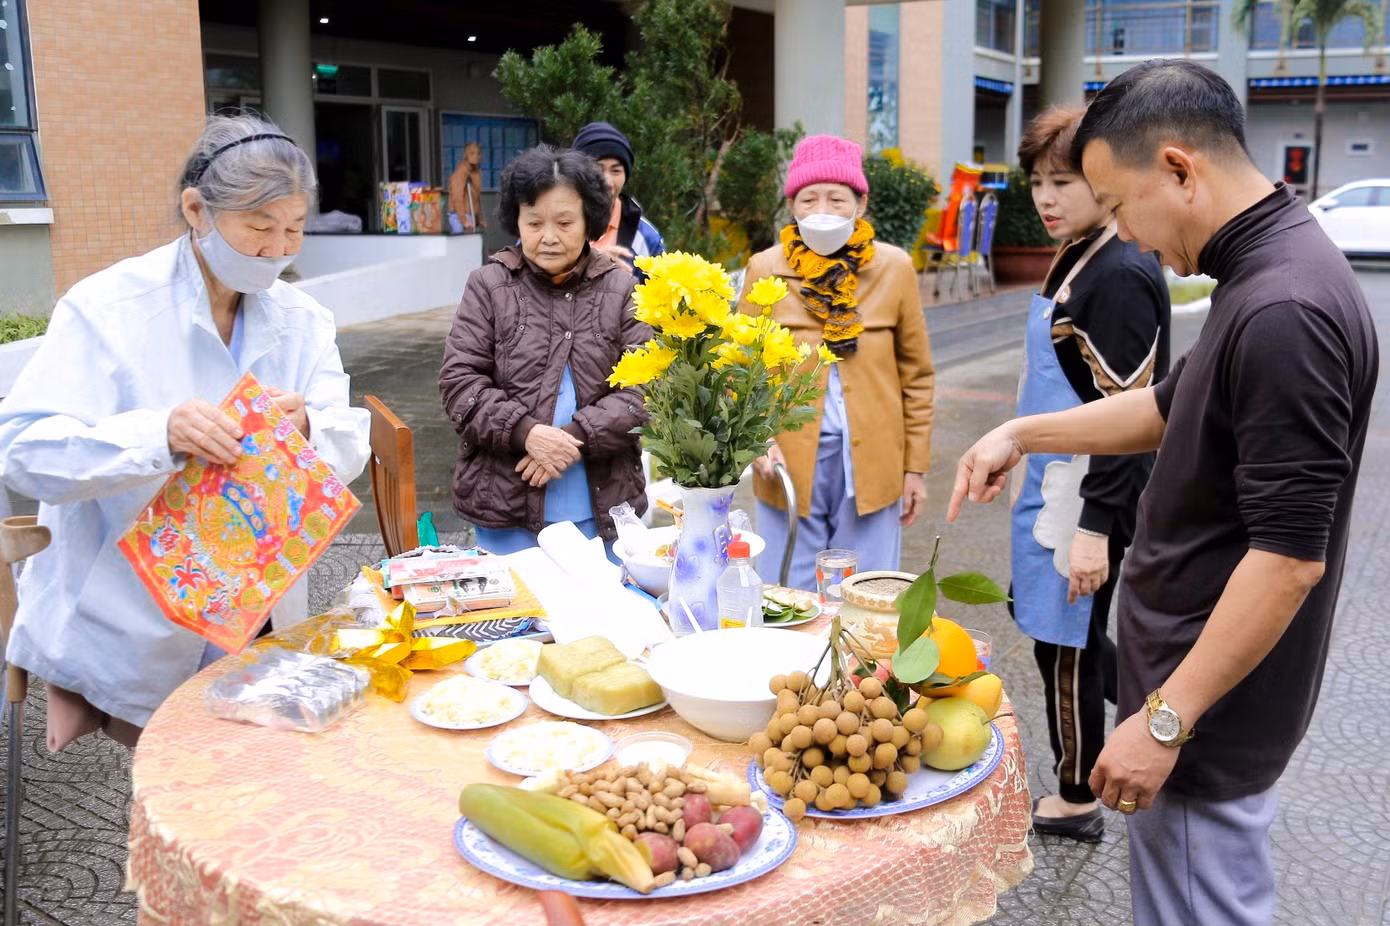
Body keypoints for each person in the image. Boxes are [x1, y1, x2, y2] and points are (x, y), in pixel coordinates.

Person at [948, 60, 1377, 926]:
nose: (1130, 237)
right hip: (1192, 687)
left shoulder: (1283, 309)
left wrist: (1165, 723)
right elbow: (1161, 408)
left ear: (1180, 169)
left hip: (1206, 713)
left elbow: (1289, 558)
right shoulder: (1263, 270)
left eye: (1121, 203)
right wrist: (1023, 432)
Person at [0, 114, 371, 749]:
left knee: (258, 773)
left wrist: (308, 425)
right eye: (259, 228)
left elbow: (349, 445)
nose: (277, 250)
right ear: (196, 209)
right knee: (174, 777)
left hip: (255, 603)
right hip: (132, 609)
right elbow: (24, 453)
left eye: (294, 230)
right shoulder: (109, 308)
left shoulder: (303, 319)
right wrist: (158, 437)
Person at [1012, 105, 1171, 842]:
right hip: (1053, 480)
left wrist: (1095, 531)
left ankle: (1076, 796)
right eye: (1039, 182)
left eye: (1065, 181)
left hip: (1086, 494)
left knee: (1068, 645)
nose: (1047, 198)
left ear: (1104, 180)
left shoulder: (1123, 272)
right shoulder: (1081, 251)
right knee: (1059, 635)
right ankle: (1151, 713)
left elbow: (1132, 416)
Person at [737, 134, 934, 591]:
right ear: (793, 205)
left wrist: (915, 469)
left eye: (836, 197)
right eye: (809, 198)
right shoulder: (765, 268)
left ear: (860, 204)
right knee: (790, 594)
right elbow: (740, 369)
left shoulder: (894, 268)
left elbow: (917, 376)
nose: (822, 208)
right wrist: (757, 438)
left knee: (866, 593)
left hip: (875, 460)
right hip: (787, 461)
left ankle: (859, 666)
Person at [439, 145, 652, 554]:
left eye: (564, 222)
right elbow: (460, 383)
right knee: (514, 617)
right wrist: (528, 433)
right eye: (534, 222)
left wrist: (570, 439)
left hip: (603, 508)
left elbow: (645, 390)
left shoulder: (623, 289)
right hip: (506, 504)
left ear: (590, 221)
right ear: (516, 221)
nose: (548, 237)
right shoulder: (488, 286)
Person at [571, 122, 663, 273]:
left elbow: (660, 292)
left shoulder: (646, 237)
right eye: (597, 169)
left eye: (616, 171)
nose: (607, 182)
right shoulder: (545, 224)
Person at [448, 141, 484, 234]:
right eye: (472, 153)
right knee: (461, 244)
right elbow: (457, 196)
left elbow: (475, 197)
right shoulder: (462, 171)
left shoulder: (476, 172)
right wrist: (463, 220)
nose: (475, 156)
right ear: (465, 155)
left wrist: (478, 219)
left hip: (470, 214)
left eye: (478, 153)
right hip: (459, 214)